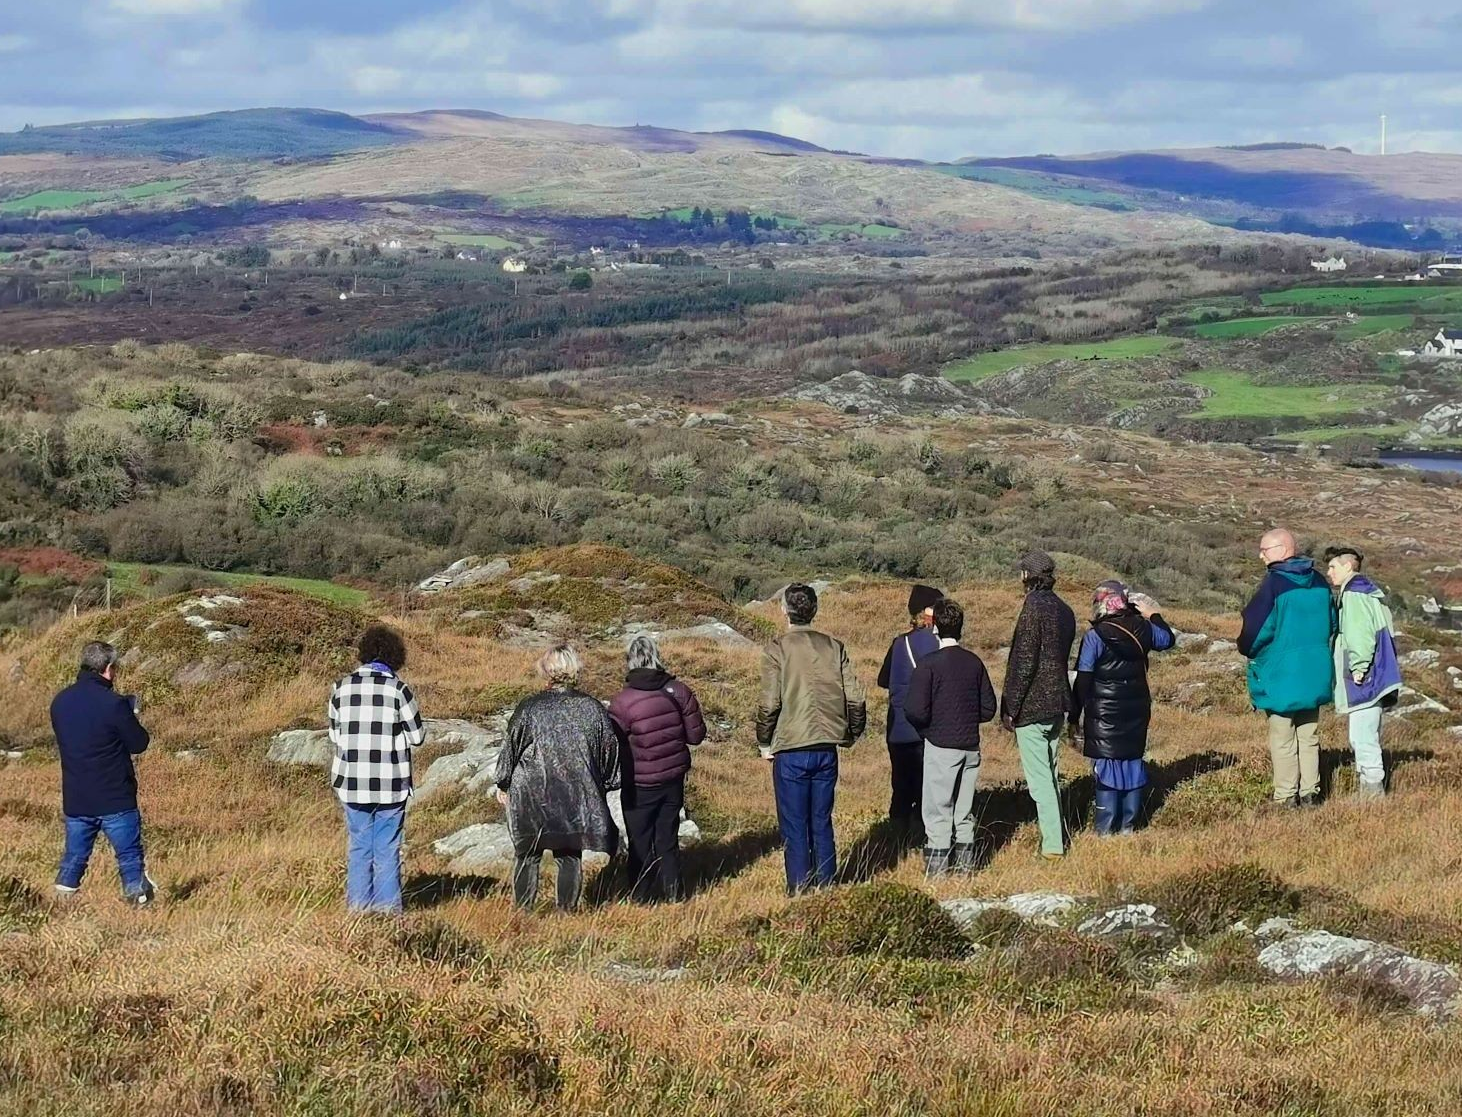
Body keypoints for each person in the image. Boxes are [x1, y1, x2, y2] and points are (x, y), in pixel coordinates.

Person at [756, 583, 866, 894]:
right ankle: (828, 888)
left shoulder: (776, 649)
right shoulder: (835, 646)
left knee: (795, 826)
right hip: (827, 746)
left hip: (791, 747)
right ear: (814, 610)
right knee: (821, 822)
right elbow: (856, 699)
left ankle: (800, 891)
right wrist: (852, 733)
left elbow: (769, 703)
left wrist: (764, 741)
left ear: (784, 610)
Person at [496, 644, 621, 912]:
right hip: (573, 792)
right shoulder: (593, 708)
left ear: (546, 671)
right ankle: (566, 913)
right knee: (569, 856)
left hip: (531, 792)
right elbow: (610, 750)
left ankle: (523, 914)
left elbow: (511, 747)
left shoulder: (530, 707)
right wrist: (607, 783)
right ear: (575, 670)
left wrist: (503, 782)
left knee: (527, 854)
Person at [328, 624, 426, 914]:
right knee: (386, 847)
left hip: (352, 782)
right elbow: (418, 737)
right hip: (390, 784)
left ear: (364, 654)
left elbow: (335, 736)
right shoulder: (399, 690)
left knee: (360, 847)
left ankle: (357, 911)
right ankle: (388, 913)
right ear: (395, 656)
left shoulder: (340, 688)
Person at [51, 641, 155, 905]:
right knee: (129, 856)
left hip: (76, 796)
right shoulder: (115, 704)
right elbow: (139, 743)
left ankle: (61, 905)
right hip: (114, 795)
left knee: (74, 858)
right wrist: (131, 715)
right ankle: (138, 902)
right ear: (109, 669)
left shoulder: (60, 702)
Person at [1238, 528, 1336, 808]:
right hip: (1315, 671)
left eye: (1264, 550)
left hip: (1281, 672)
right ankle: (1310, 792)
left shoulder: (1274, 584)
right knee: (1309, 734)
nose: (1260, 555)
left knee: (1282, 737)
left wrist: (1247, 649)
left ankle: (1285, 796)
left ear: (1282, 549)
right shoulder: (1319, 581)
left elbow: (1255, 632)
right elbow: (1332, 622)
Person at [1070, 582, 1175, 835]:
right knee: (1132, 764)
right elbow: (1168, 639)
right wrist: (1153, 615)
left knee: (1107, 767)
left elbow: (1083, 679)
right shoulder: (1146, 630)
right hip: (1137, 708)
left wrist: (1074, 716)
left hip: (1104, 712)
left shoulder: (1095, 636)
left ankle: (1105, 830)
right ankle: (1128, 827)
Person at [608, 634, 706, 903]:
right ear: (657, 657)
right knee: (668, 839)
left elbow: (613, 747)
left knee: (639, 842)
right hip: (673, 778)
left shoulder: (622, 702)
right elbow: (696, 736)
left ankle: (641, 898)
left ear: (630, 661)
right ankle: (675, 895)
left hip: (638, 784)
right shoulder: (679, 690)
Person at [905, 597, 997, 876]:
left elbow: (915, 710)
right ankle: (966, 870)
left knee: (937, 812)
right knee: (964, 811)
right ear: (961, 627)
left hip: (940, 745)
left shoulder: (929, 664)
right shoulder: (974, 662)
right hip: (970, 745)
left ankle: (938, 873)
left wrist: (929, 730)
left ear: (935, 628)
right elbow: (988, 708)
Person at [1000, 551, 1077, 860]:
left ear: (1026, 576)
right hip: (1058, 702)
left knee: (1040, 780)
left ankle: (1053, 847)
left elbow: (1023, 661)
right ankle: (1056, 835)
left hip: (1033, 704)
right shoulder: (1065, 609)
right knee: (1052, 772)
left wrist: (1010, 706)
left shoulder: (1033, 607)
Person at [1325, 546, 1403, 799]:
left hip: (1366, 678)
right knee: (1367, 733)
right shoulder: (1367, 592)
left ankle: (1372, 796)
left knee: (1362, 736)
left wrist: (1358, 669)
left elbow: (1360, 636)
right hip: (1378, 674)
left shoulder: (1354, 595)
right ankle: (1368, 790)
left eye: (1332, 567)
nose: (1329, 572)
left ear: (1348, 566)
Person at [875, 583, 942, 844]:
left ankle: (896, 842)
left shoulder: (899, 644)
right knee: (928, 787)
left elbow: (883, 680)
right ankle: (925, 839)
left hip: (899, 729)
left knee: (901, 786)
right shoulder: (939, 644)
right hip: (928, 728)